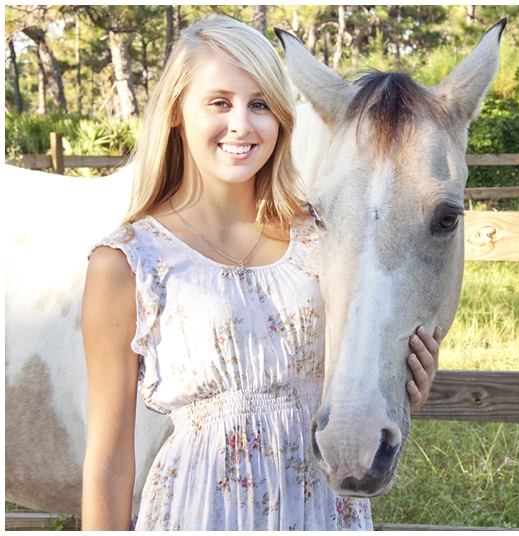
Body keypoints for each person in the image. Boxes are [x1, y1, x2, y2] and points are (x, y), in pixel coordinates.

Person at [81, 16, 441, 531]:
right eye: (219, 102)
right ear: (178, 111)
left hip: (322, 511)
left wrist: (404, 383)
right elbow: (109, 460)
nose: (242, 126)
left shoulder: (322, 239)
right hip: (199, 513)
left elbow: (363, 356)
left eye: (261, 104)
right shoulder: (127, 262)